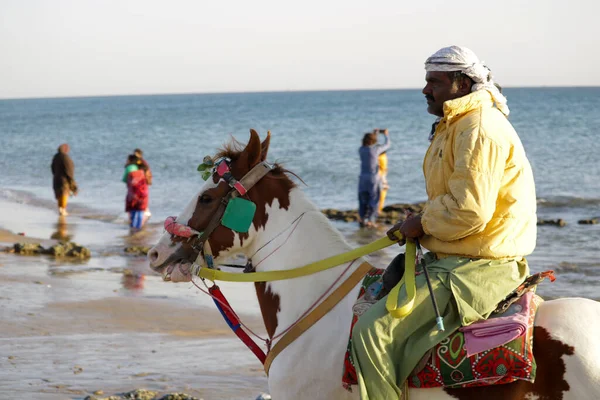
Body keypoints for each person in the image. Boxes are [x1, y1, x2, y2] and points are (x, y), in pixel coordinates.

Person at [351, 45, 537, 399]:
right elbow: (453, 198)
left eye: (433, 82)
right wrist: (421, 220)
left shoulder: (478, 127)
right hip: (455, 256)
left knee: (371, 333)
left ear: (462, 83)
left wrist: (421, 223)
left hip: (477, 267)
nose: (425, 90)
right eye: (426, 81)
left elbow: (469, 210)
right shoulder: (457, 124)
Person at [358, 129, 390, 228]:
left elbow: (372, 143)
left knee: (363, 199)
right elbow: (387, 145)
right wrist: (386, 135)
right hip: (373, 178)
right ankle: (371, 220)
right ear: (373, 140)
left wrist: (375, 134)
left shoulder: (361, 150)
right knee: (374, 198)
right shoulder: (375, 150)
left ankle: (362, 219)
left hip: (362, 178)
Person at [51, 143, 78, 216]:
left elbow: (52, 168)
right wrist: (71, 179)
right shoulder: (65, 157)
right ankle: (63, 209)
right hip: (64, 179)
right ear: (66, 149)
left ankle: (60, 209)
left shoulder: (55, 157)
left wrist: (55, 174)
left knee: (59, 194)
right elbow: (69, 169)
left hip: (56, 178)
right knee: (64, 194)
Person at [124, 154, 149, 230]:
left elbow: (125, 180)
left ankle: (133, 227)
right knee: (140, 211)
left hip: (132, 194)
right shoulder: (143, 172)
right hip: (143, 193)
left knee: (133, 211)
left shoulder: (130, 170)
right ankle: (138, 228)